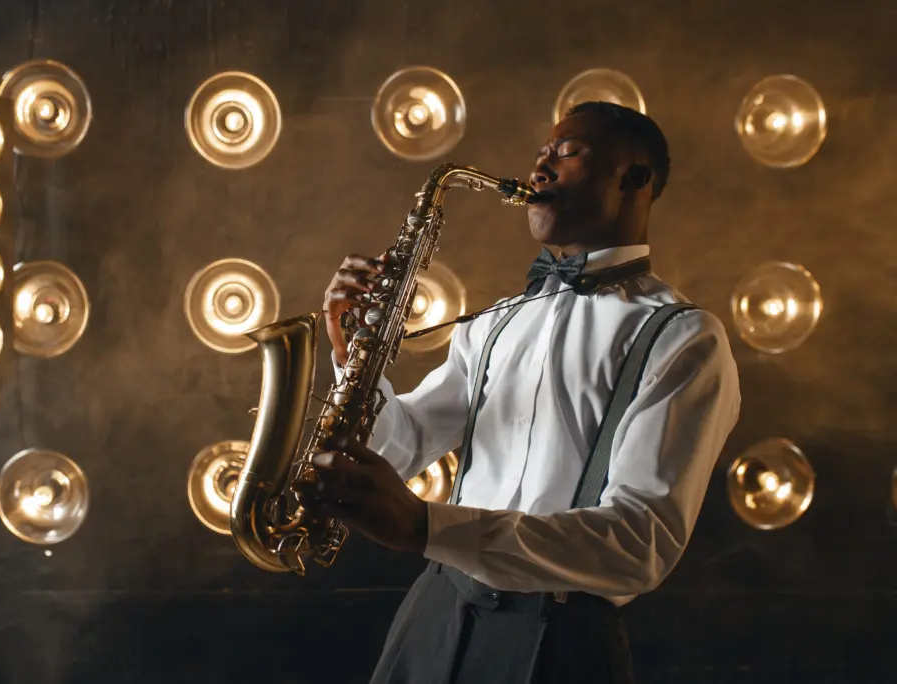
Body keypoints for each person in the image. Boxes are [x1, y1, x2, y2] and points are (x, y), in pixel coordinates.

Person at [304, 102, 741, 683]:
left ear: (633, 178)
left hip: (557, 639)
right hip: (432, 611)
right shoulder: (496, 321)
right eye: (540, 153)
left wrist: (427, 528)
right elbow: (400, 447)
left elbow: (639, 543)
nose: (540, 167)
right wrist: (348, 352)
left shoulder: (684, 338)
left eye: (566, 151)